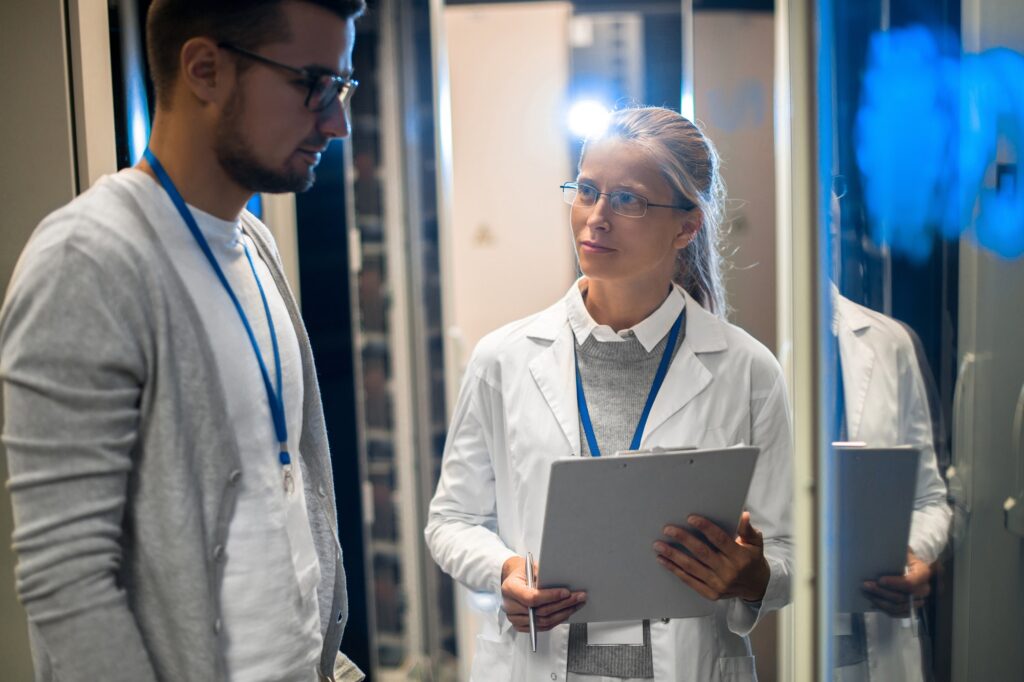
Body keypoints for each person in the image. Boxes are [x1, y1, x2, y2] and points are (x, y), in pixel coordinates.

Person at [1, 1, 365, 680]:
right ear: (205, 69)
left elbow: (278, 500)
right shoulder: (88, 262)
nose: (336, 123)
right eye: (314, 84)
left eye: (341, 88)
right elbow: (66, 580)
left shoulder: (254, 244)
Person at [424, 106, 793, 681]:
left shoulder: (748, 370)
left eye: (628, 201)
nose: (596, 218)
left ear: (686, 225)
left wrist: (754, 578)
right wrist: (506, 569)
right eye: (587, 191)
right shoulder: (504, 357)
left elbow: (791, 547)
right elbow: (450, 520)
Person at [829, 194, 952, 681]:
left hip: (872, 645)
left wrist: (913, 559)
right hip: (773, 636)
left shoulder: (889, 343)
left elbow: (930, 497)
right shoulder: (735, 349)